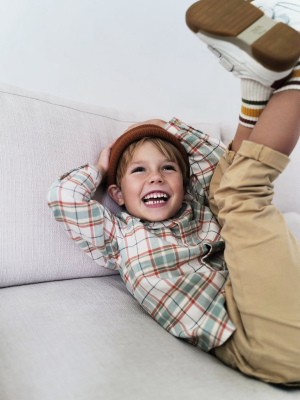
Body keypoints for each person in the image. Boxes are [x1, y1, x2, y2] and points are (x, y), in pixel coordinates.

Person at [47, 0, 300, 385]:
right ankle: (276, 81)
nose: (156, 178)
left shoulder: (199, 209)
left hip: (253, 288)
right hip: (239, 330)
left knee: (229, 187)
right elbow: (64, 197)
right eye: (138, 171)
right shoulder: (119, 236)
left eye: (168, 169)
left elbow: (215, 162)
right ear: (116, 193)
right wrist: (100, 168)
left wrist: (166, 127)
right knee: (235, 191)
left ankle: (265, 85)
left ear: (183, 182)